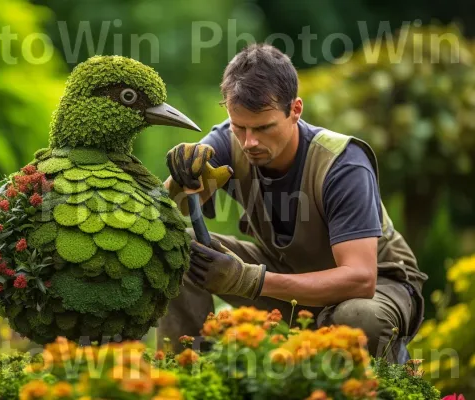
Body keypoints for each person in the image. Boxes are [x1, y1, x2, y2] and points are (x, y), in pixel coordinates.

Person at [159, 43, 428, 363]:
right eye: (239, 127)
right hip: (288, 277)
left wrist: (250, 279)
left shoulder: (343, 165)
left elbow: (360, 279)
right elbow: (163, 217)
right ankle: (187, 376)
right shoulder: (227, 142)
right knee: (182, 251)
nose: (249, 142)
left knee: (358, 318)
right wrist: (178, 180)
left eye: (263, 128)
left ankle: (387, 370)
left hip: (378, 286)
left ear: (295, 110)